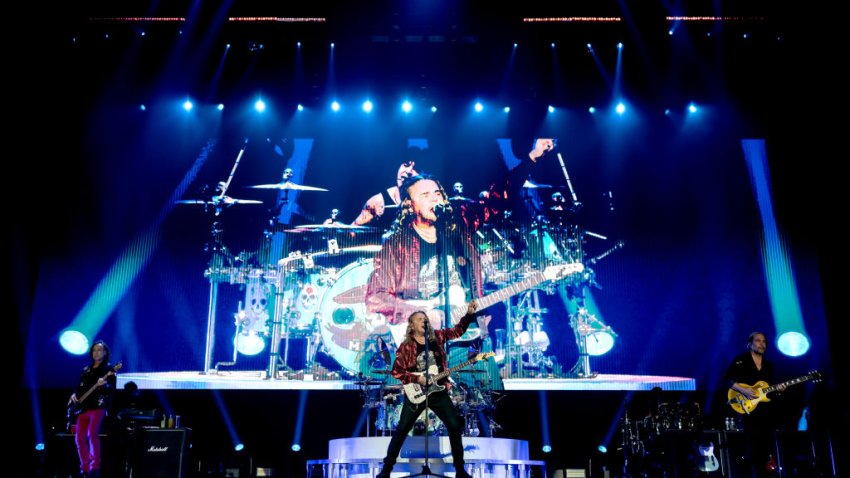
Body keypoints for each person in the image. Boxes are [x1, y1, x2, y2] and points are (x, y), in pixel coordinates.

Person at [375, 302, 480, 478]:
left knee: (454, 426)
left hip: (437, 392)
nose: (424, 321)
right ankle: (385, 471)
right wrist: (418, 378)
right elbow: (396, 371)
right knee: (402, 430)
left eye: (425, 319)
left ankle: (460, 471)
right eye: (419, 319)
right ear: (412, 325)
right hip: (416, 393)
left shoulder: (437, 337)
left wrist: (469, 315)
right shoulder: (407, 347)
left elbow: (458, 331)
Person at [365, 173, 484, 329]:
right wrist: (417, 314)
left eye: (438, 194)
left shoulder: (459, 237)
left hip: (464, 336)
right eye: (425, 195)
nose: (435, 199)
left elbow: (496, 203)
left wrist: (482, 315)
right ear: (410, 204)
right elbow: (376, 297)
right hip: (421, 340)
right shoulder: (397, 246)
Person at [725, 332, 785, 477]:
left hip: (766, 413)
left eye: (764, 341)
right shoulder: (740, 360)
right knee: (753, 451)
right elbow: (728, 380)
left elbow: (769, 392)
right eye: (758, 341)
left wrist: (779, 390)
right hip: (749, 413)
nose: (761, 344)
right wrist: (744, 390)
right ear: (750, 344)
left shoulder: (769, 365)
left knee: (767, 451)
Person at [67, 340, 117, 478]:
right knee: (79, 438)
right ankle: (85, 468)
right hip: (83, 407)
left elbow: (111, 389)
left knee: (92, 434)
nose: (97, 352)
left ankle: (95, 467)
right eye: (94, 350)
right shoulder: (86, 370)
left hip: (98, 406)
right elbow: (80, 387)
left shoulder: (109, 369)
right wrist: (74, 394)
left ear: (105, 352)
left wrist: (103, 385)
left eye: (100, 350)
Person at [352, 161, 417, 228]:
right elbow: (351, 233)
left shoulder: (426, 203)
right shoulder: (377, 202)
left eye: (416, 168)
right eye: (406, 165)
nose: (408, 171)